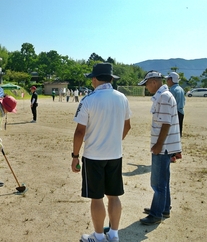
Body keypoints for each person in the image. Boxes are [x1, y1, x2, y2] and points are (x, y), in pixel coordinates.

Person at [72, 63, 131, 242]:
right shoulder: (122, 98)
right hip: (115, 154)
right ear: (112, 79)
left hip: (94, 156)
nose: (91, 81)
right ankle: (113, 235)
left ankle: (98, 237)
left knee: (96, 198)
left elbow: (80, 132)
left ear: (96, 79)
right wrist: (113, 140)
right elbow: (127, 126)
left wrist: (74, 156)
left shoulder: (89, 99)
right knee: (114, 196)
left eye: (92, 78)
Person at [137, 71, 181, 225]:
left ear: (154, 82)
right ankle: (164, 208)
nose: (146, 87)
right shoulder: (165, 95)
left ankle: (156, 214)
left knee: (157, 183)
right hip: (167, 146)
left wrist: (158, 144)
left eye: (147, 84)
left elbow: (165, 123)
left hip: (163, 147)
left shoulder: (163, 97)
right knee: (164, 180)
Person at [165, 72, 185, 162]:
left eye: (168, 79)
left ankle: (172, 155)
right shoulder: (180, 89)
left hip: (174, 112)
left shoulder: (172, 90)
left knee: (172, 133)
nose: (167, 81)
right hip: (181, 111)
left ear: (171, 80)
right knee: (178, 132)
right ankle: (178, 152)